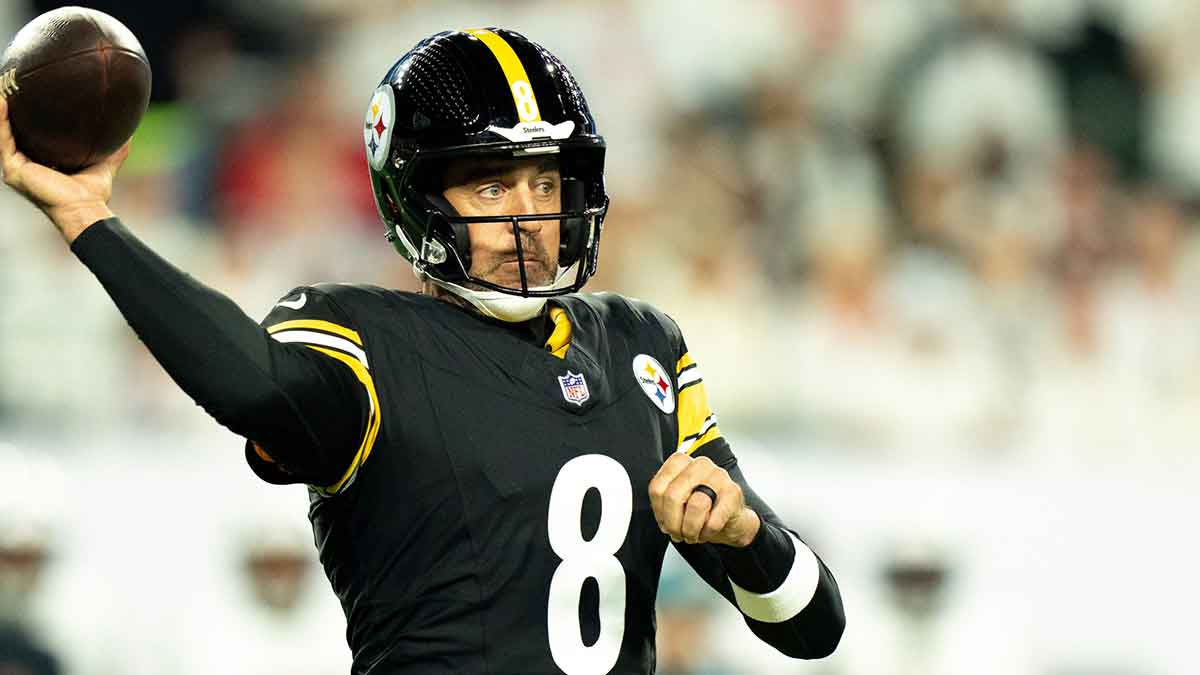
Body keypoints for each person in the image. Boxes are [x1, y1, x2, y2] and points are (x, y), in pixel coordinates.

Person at [0, 28, 844, 675]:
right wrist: (89, 222)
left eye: (546, 183)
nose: (529, 216)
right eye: (490, 185)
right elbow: (250, 385)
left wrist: (743, 537)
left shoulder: (641, 345)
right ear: (415, 198)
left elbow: (815, 627)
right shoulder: (368, 339)